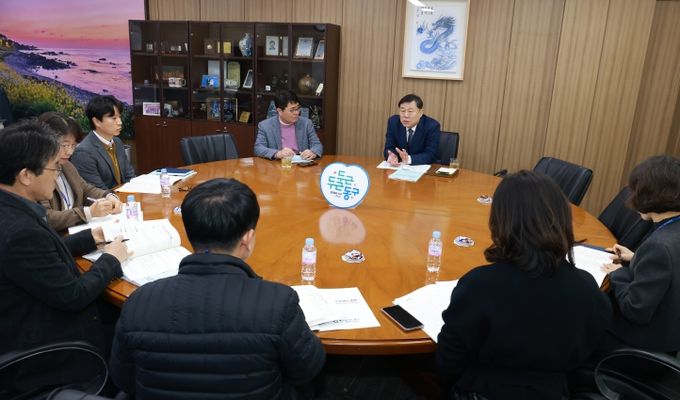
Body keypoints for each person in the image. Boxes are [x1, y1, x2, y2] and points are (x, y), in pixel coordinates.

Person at [109, 178, 326, 399]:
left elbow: (124, 379)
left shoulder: (139, 302)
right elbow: (307, 369)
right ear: (248, 239)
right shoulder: (278, 303)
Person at [436, 171, 611, 399]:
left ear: (499, 222)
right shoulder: (586, 288)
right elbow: (591, 346)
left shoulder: (479, 285)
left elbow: (448, 362)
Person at [0, 121, 129, 387]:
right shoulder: (19, 231)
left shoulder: (12, 209)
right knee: (136, 329)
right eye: (54, 168)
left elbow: (41, 255)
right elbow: (74, 295)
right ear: (26, 175)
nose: (58, 175)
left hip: (33, 316)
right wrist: (111, 258)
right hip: (54, 348)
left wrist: (90, 237)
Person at [601, 155, 680, 353]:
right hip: (670, 330)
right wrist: (636, 258)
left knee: (581, 309)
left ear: (649, 195)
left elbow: (635, 309)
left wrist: (617, 273)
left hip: (642, 345)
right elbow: (672, 267)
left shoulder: (659, 247)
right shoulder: (672, 231)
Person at [37, 111, 123, 232]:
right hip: (60, 236)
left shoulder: (66, 165)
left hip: (77, 229)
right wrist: (88, 212)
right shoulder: (38, 173)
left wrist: (108, 196)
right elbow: (48, 217)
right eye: (65, 145)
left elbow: (85, 188)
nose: (70, 152)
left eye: (73, 145)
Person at [70, 95, 135, 189]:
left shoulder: (117, 142)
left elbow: (130, 176)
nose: (120, 122)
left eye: (119, 117)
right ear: (97, 121)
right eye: (114, 118)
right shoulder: (83, 152)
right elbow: (97, 191)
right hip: (105, 197)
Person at [254, 90, 323, 161]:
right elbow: (258, 148)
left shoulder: (306, 123)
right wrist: (277, 154)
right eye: (292, 110)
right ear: (280, 111)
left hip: (301, 164)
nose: (297, 113)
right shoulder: (265, 126)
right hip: (279, 164)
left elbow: (317, 145)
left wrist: (313, 152)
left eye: (298, 108)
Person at [383, 93, 440, 166]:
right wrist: (392, 156)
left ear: (421, 113)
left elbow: (430, 155)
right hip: (398, 168)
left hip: (422, 169)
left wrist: (408, 159)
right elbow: (389, 147)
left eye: (410, 111)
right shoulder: (393, 122)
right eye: (403, 111)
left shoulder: (431, 126)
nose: (406, 115)